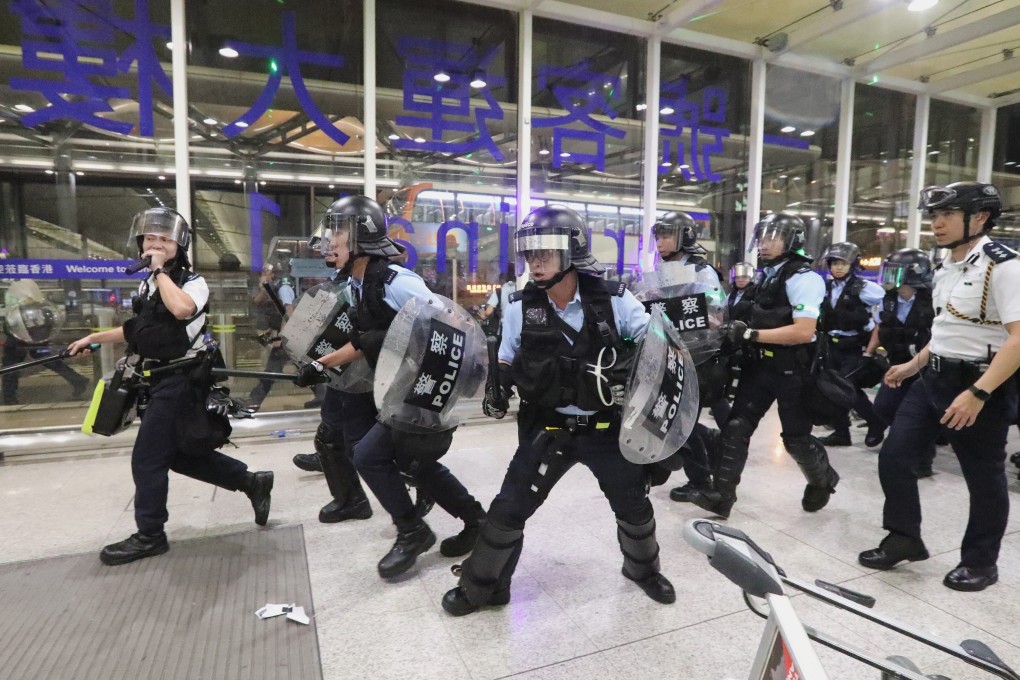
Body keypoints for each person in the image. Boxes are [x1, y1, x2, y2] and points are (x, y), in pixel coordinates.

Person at [441, 205, 675, 616]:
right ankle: (485, 586)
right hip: (547, 428)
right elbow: (507, 358)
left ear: (573, 253)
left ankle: (643, 569)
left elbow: (659, 349)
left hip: (607, 429)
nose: (535, 260)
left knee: (633, 506)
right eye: (529, 253)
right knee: (510, 507)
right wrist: (497, 384)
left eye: (545, 252)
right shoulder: (517, 306)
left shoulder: (616, 301)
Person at [67, 208, 273, 566]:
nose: (156, 244)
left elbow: (181, 310)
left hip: (181, 381)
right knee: (176, 455)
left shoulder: (192, 282)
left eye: (164, 239)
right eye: (150, 238)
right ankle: (251, 481)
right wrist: (94, 337)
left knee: (147, 459)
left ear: (180, 245)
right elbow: (137, 329)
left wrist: (160, 271)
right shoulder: (148, 285)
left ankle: (151, 535)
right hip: (157, 380)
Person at [294, 195, 485, 578]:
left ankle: (412, 531)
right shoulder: (361, 284)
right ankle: (479, 523)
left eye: (339, 235)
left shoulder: (398, 282)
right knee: (417, 464)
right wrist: (321, 364)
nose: (331, 243)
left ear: (360, 240)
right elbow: (366, 338)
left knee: (367, 456)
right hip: (402, 391)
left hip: (423, 393)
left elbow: (447, 323)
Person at [859, 182, 1020, 592]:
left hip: (980, 384)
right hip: (933, 378)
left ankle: (981, 562)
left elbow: (1018, 339)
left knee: (983, 477)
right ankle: (904, 537)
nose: (938, 223)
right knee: (894, 456)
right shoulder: (946, 264)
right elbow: (946, 330)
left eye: (947, 214)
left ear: (980, 217)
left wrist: (979, 393)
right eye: (934, 216)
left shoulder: (1004, 266)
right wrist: (912, 364)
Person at [690, 213, 839, 519]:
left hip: (793, 372)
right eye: (763, 237)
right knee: (735, 428)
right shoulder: (765, 277)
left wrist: (753, 334)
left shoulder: (805, 279)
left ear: (793, 241)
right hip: (758, 368)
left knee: (796, 441)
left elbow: (804, 331)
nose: (764, 244)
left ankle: (823, 480)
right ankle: (722, 496)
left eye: (774, 237)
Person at [645, 211, 730, 503]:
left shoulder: (701, 271)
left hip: (697, 356)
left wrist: (683, 310)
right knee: (680, 420)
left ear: (685, 237)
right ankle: (710, 446)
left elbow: (717, 315)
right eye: (658, 236)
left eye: (667, 235)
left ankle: (701, 479)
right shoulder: (660, 271)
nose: (660, 242)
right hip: (669, 351)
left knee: (682, 421)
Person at [865, 248, 937, 471]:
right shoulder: (888, 300)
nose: (889, 277)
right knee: (884, 407)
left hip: (925, 368)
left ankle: (923, 459)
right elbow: (880, 326)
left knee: (922, 415)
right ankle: (904, 443)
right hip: (897, 364)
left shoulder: (933, 301)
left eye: (894, 272)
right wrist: (868, 352)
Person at [817, 242, 886, 447]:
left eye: (843, 263)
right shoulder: (825, 287)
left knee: (849, 389)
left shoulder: (865, 288)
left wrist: (872, 347)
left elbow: (886, 311)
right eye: (834, 263)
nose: (838, 267)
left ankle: (876, 423)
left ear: (852, 265)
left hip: (854, 346)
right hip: (830, 345)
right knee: (831, 388)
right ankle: (841, 433)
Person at [3, 280, 89, 404]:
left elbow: (10, 323)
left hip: (18, 339)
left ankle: (9, 397)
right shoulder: (39, 304)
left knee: (11, 367)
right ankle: (77, 380)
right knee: (48, 360)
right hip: (34, 336)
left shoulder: (16, 303)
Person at [247, 260, 296, 407]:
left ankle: (255, 400)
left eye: (265, 272)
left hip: (287, 337)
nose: (262, 275)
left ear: (273, 274)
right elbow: (257, 301)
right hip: (284, 336)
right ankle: (321, 394)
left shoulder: (283, 288)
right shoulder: (271, 289)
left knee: (272, 369)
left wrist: (286, 334)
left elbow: (289, 311)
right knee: (302, 366)